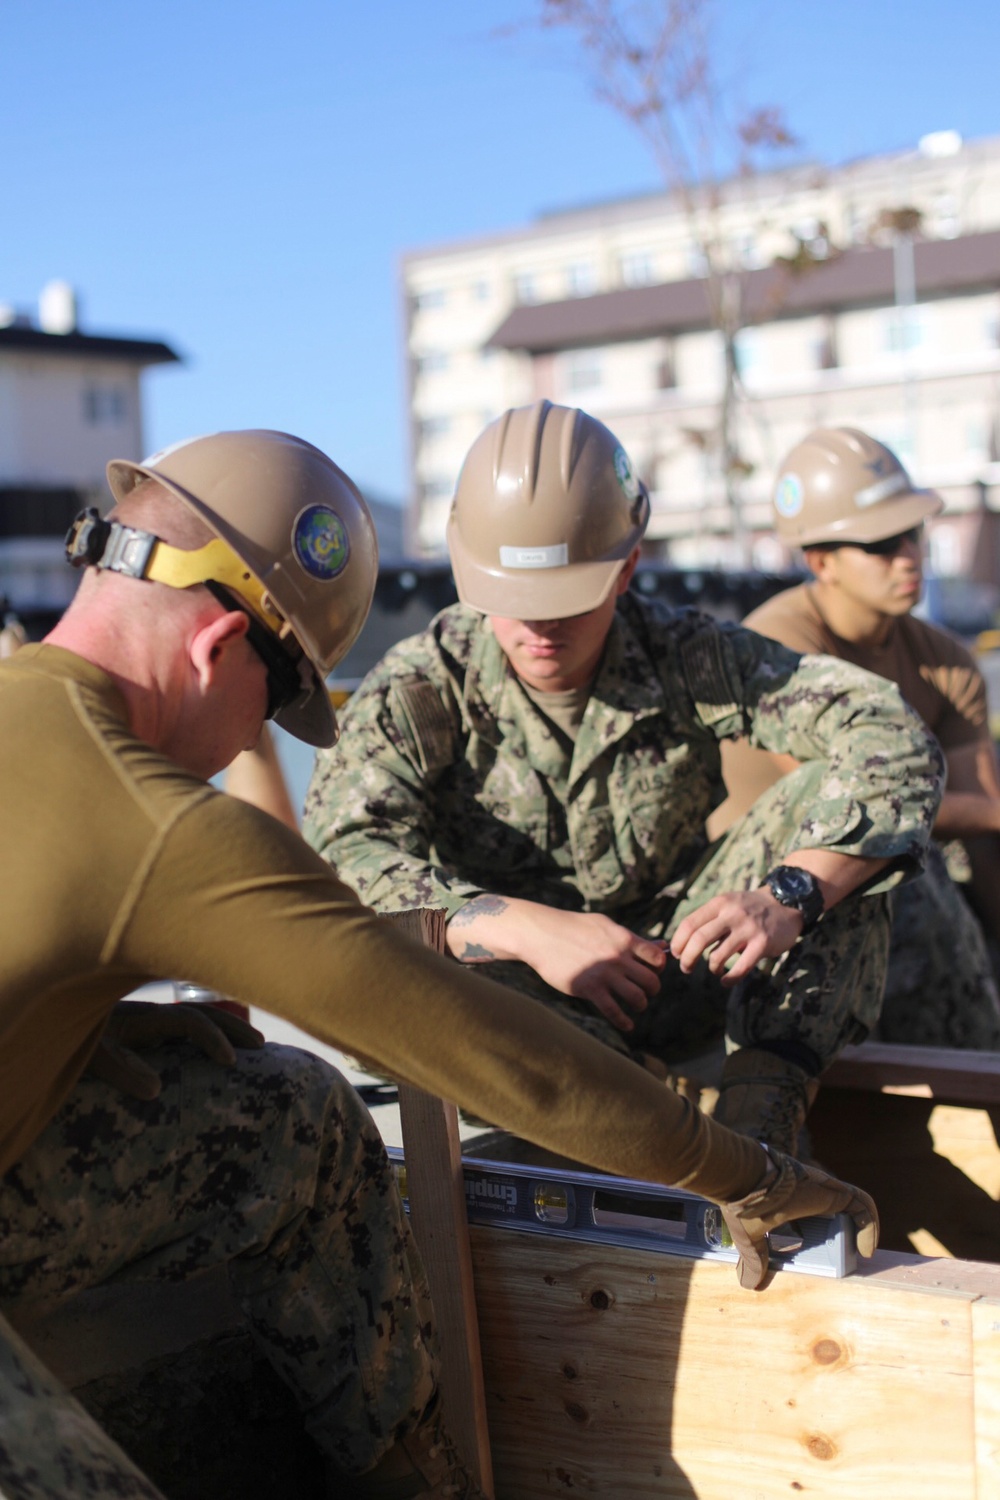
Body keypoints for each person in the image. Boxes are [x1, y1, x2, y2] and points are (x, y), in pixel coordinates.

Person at [0, 429, 879, 1500]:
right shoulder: (157, 818)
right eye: (276, 710)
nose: (249, 743)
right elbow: (491, 1056)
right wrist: (750, 1174)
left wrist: (93, 1027)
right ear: (219, 645)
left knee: (287, 1116)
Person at [304, 400, 944, 1165]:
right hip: (522, 1011)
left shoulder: (684, 654)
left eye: (566, 599)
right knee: (377, 982)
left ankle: (758, 1136)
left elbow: (887, 730)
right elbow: (344, 859)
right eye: (512, 601)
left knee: (834, 821)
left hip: (678, 971)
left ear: (627, 568)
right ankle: (640, 1115)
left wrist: (791, 894)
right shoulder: (422, 687)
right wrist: (514, 924)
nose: (539, 629)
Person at [711, 425, 1000, 1049]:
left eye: (913, 534)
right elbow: (845, 808)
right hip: (762, 901)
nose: (909, 555)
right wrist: (932, 812)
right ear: (821, 562)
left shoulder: (944, 660)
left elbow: (985, 806)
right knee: (900, 856)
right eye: (881, 543)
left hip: (863, 890)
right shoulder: (779, 647)